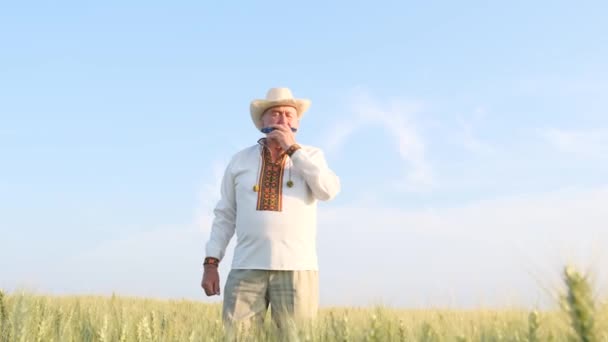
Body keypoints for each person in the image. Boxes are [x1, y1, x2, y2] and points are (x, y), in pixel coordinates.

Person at [200, 87, 340, 338]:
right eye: (275, 114)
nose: (283, 119)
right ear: (262, 121)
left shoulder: (312, 156)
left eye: (289, 114)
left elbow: (327, 191)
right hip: (246, 268)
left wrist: (294, 150)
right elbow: (225, 215)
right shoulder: (240, 161)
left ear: (297, 122)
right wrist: (211, 262)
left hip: (298, 268)